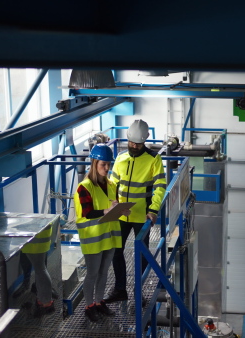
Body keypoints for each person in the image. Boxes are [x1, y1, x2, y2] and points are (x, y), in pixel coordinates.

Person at [105, 119, 166, 303]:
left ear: (145, 140)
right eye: (131, 142)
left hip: (142, 216)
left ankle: (139, 292)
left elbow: (160, 186)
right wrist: (112, 201)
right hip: (121, 215)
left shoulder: (154, 159)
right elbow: (112, 184)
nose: (133, 146)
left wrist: (154, 209)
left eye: (137, 144)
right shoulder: (121, 158)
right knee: (116, 251)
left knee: (142, 255)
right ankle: (120, 289)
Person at [73, 143, 129, 321]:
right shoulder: (84, 187)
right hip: (93, 238)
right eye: (103, 164)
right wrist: (106, 211)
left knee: (104, 272)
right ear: (94, 163)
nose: (107, 168)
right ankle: (89, 306)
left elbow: (114, 206)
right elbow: (87, 212)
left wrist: (121, 210)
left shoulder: (112, 185)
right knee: (92, 273)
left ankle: (98, 302)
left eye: (108, 164)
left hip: (110, 236)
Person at [20, 223, 55, 317]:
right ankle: (44, 300)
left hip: (34, 239)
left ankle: (46, 302)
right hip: (38, 236)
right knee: (40, 269)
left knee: (40, 269)